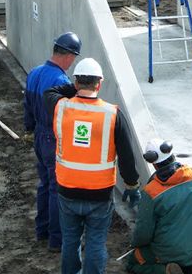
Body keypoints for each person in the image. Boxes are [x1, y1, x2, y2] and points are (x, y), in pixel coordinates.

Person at [43, 58, 141, 274]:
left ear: (76, 83)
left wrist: (78, 85)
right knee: (96, 242)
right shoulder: (112, 114)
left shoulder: (60, 107)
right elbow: (126, 155)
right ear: (100, 83)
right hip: (99, 193)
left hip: (67, 190)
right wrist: (132, 185)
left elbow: (50, 91)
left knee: (70, 241)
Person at [23, 32, 82, 252]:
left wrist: (30, 129)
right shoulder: (60, 81)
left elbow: (27, 106)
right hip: (52, 137)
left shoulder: (35, 72)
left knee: (45, 184)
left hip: (39, 134)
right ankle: (57, 240)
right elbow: (65, 117)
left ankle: (42, 230)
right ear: (68, 56)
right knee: (57, 189)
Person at [125, 139, 192, 274]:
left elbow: (144, 232)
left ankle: (165, 270)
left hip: (168, 250)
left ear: (153, 163)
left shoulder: (151, 192)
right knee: (187, 258)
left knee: (133, 261)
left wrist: (135, 245)